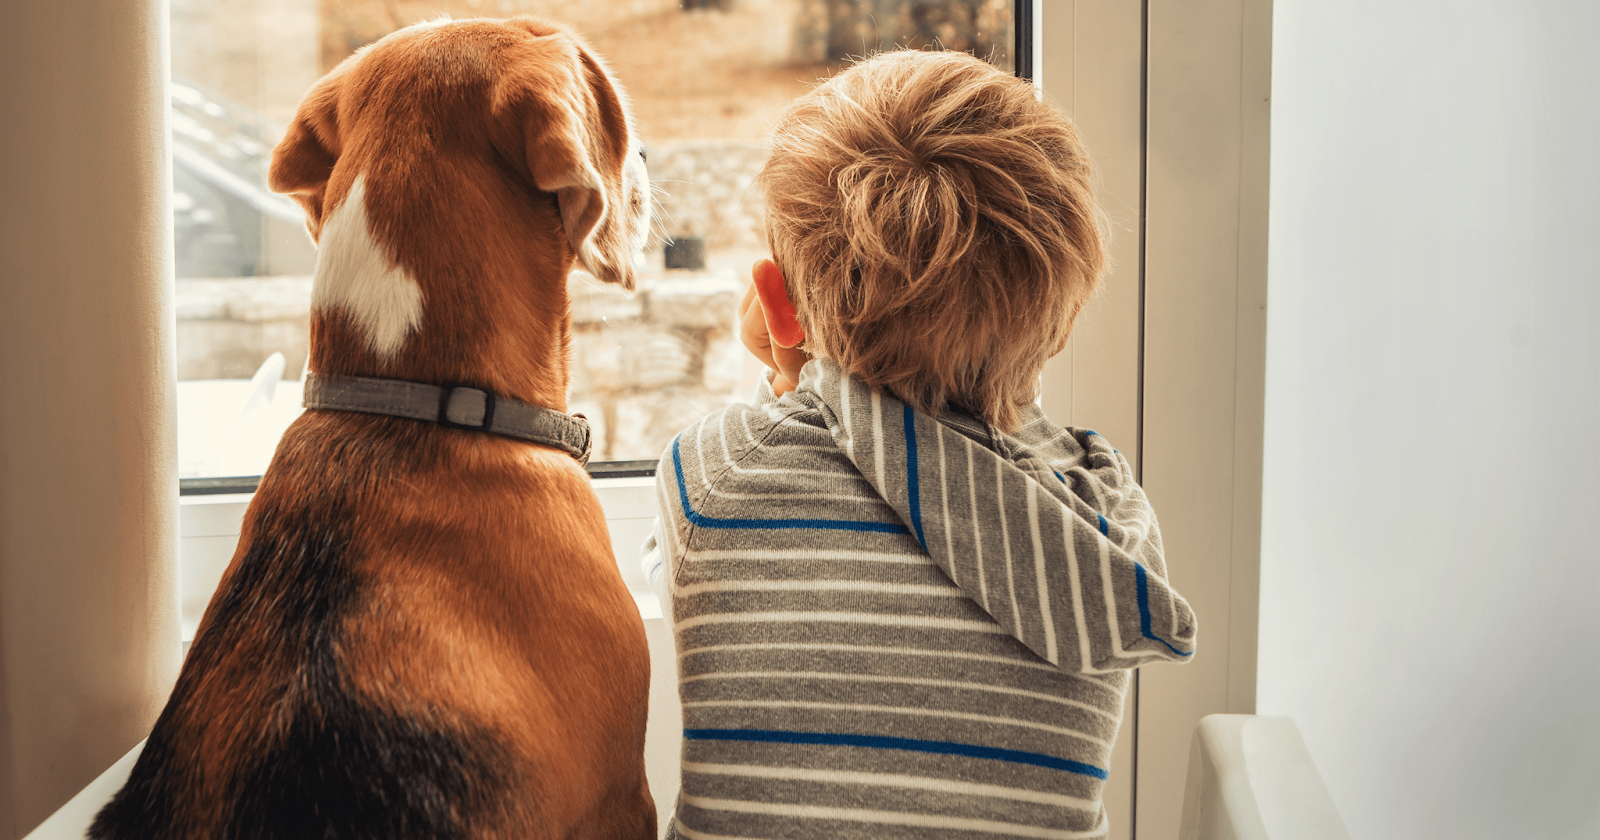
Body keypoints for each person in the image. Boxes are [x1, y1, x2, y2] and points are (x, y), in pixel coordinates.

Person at [644, 48, 1197, 840]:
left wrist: (794, 376)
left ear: (774, 304)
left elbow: (672, 571)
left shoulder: (721, 473)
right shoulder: (1101, 525)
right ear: (1066, 315)